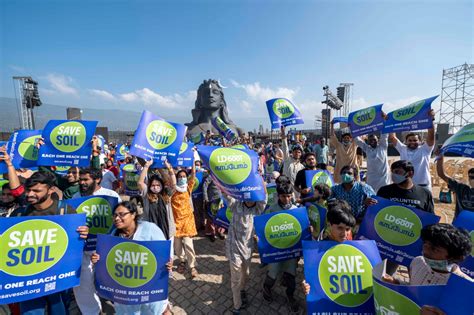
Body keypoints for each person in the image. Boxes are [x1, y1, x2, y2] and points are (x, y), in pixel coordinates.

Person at [12, 172, 88, 314]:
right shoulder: (19, 214)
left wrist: (84, 234)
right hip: (29, 278)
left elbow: (76, 245)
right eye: (28, 190)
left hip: (57, 277)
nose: (29, 194)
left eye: (36, 191)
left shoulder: (66, 212)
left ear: (51, 190)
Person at [91, 202, 172, 315]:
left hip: (149, 287)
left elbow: (164, 253)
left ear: (133, 214)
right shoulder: (113, 237)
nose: (117, 218)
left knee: (157, 310)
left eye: (121, 214)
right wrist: (97, 260)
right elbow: (106, 262)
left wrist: (168, 262)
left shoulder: (150, 229)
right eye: (114, 215)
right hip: (125, 292)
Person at [72, 167, 121, 315]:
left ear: (97, 179)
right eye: (81, 179)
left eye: (86, 180)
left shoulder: (111, 196)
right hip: (83, 248)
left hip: (106, 248)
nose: (82, 183)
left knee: (112, 282)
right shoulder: (75, 197)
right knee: (83, 286)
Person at [221, 182, 267, 314]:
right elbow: (225, 194)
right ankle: (237, 305)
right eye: (248, 198)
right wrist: (221, 180)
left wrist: (261, 182)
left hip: (247, 248)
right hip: (234, 246)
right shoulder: (236, 205)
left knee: (245, 275)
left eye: (253, 198)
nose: (250, 201)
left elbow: (264, 198)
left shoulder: (257, 209)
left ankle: (242, 290)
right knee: (235, 278)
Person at [383, 223, 472, 286]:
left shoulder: (466, 285)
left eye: (435, 249)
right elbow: (413, 286)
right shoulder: (418, 261)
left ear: (454, 256)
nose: (426, 251)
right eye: (425, 244)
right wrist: (396, 283)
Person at [263, 182, 301, 313]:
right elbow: (264, 228)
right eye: (283, 196)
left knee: (291, 275)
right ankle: (266, 288)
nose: (286, 199)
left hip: (290, 251)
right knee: (272, 273)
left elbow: (301, 230)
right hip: (275, 250)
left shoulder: (296, 210)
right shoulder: (271, 209)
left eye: (289, 196)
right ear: (278, 196)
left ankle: (290, 296)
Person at [389, 109, 436, 189]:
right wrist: (391, 122)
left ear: (420, 141)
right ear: (406, 142)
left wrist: (431, 119)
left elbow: (431, 135)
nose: (412, 142)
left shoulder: (425, 149)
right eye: (410, 140)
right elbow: (392, 137)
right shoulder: (403, 149)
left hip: (423, 185)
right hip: (406, 185)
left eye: (415, 140)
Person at [138, 159, 176, 249]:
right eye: (153, 185)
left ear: (162, 186)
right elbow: (140, 182)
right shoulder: (146, 194)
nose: (155, 187)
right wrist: (146, 166)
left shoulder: (166, 194)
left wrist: (166, 168)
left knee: (167, 255)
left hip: (167, 229)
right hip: (151, 231)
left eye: (158, 185)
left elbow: (173, 184)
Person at [171, 165, 199, 278]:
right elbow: (168, 177)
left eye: (184, 176)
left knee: (188, 244)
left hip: (187, 221)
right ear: (177, 178)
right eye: (180, 176)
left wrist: (193, 159)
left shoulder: (188, 188)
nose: (182, 178)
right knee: (177, 246)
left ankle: (192, 266)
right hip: (176, 222)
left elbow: (193, 175)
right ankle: (182, 261)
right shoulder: (173, 190)